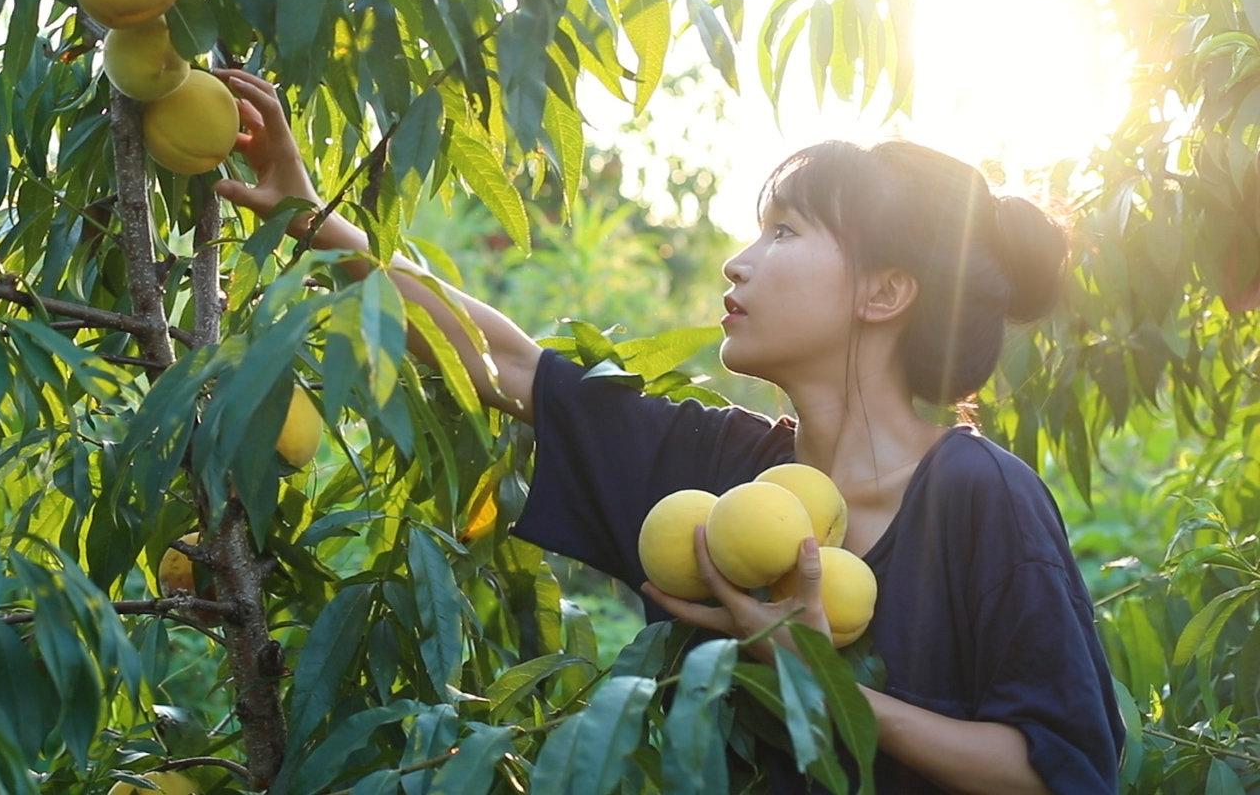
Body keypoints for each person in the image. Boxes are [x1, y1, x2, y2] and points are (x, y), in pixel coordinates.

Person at [211, 68, 1125, 794]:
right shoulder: (724, 474)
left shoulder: (979, 496)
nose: (739, 259)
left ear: (883, 292)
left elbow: (1059, 768)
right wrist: (312, 217)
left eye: (785, 233)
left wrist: (816, 678)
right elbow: (515, 368)